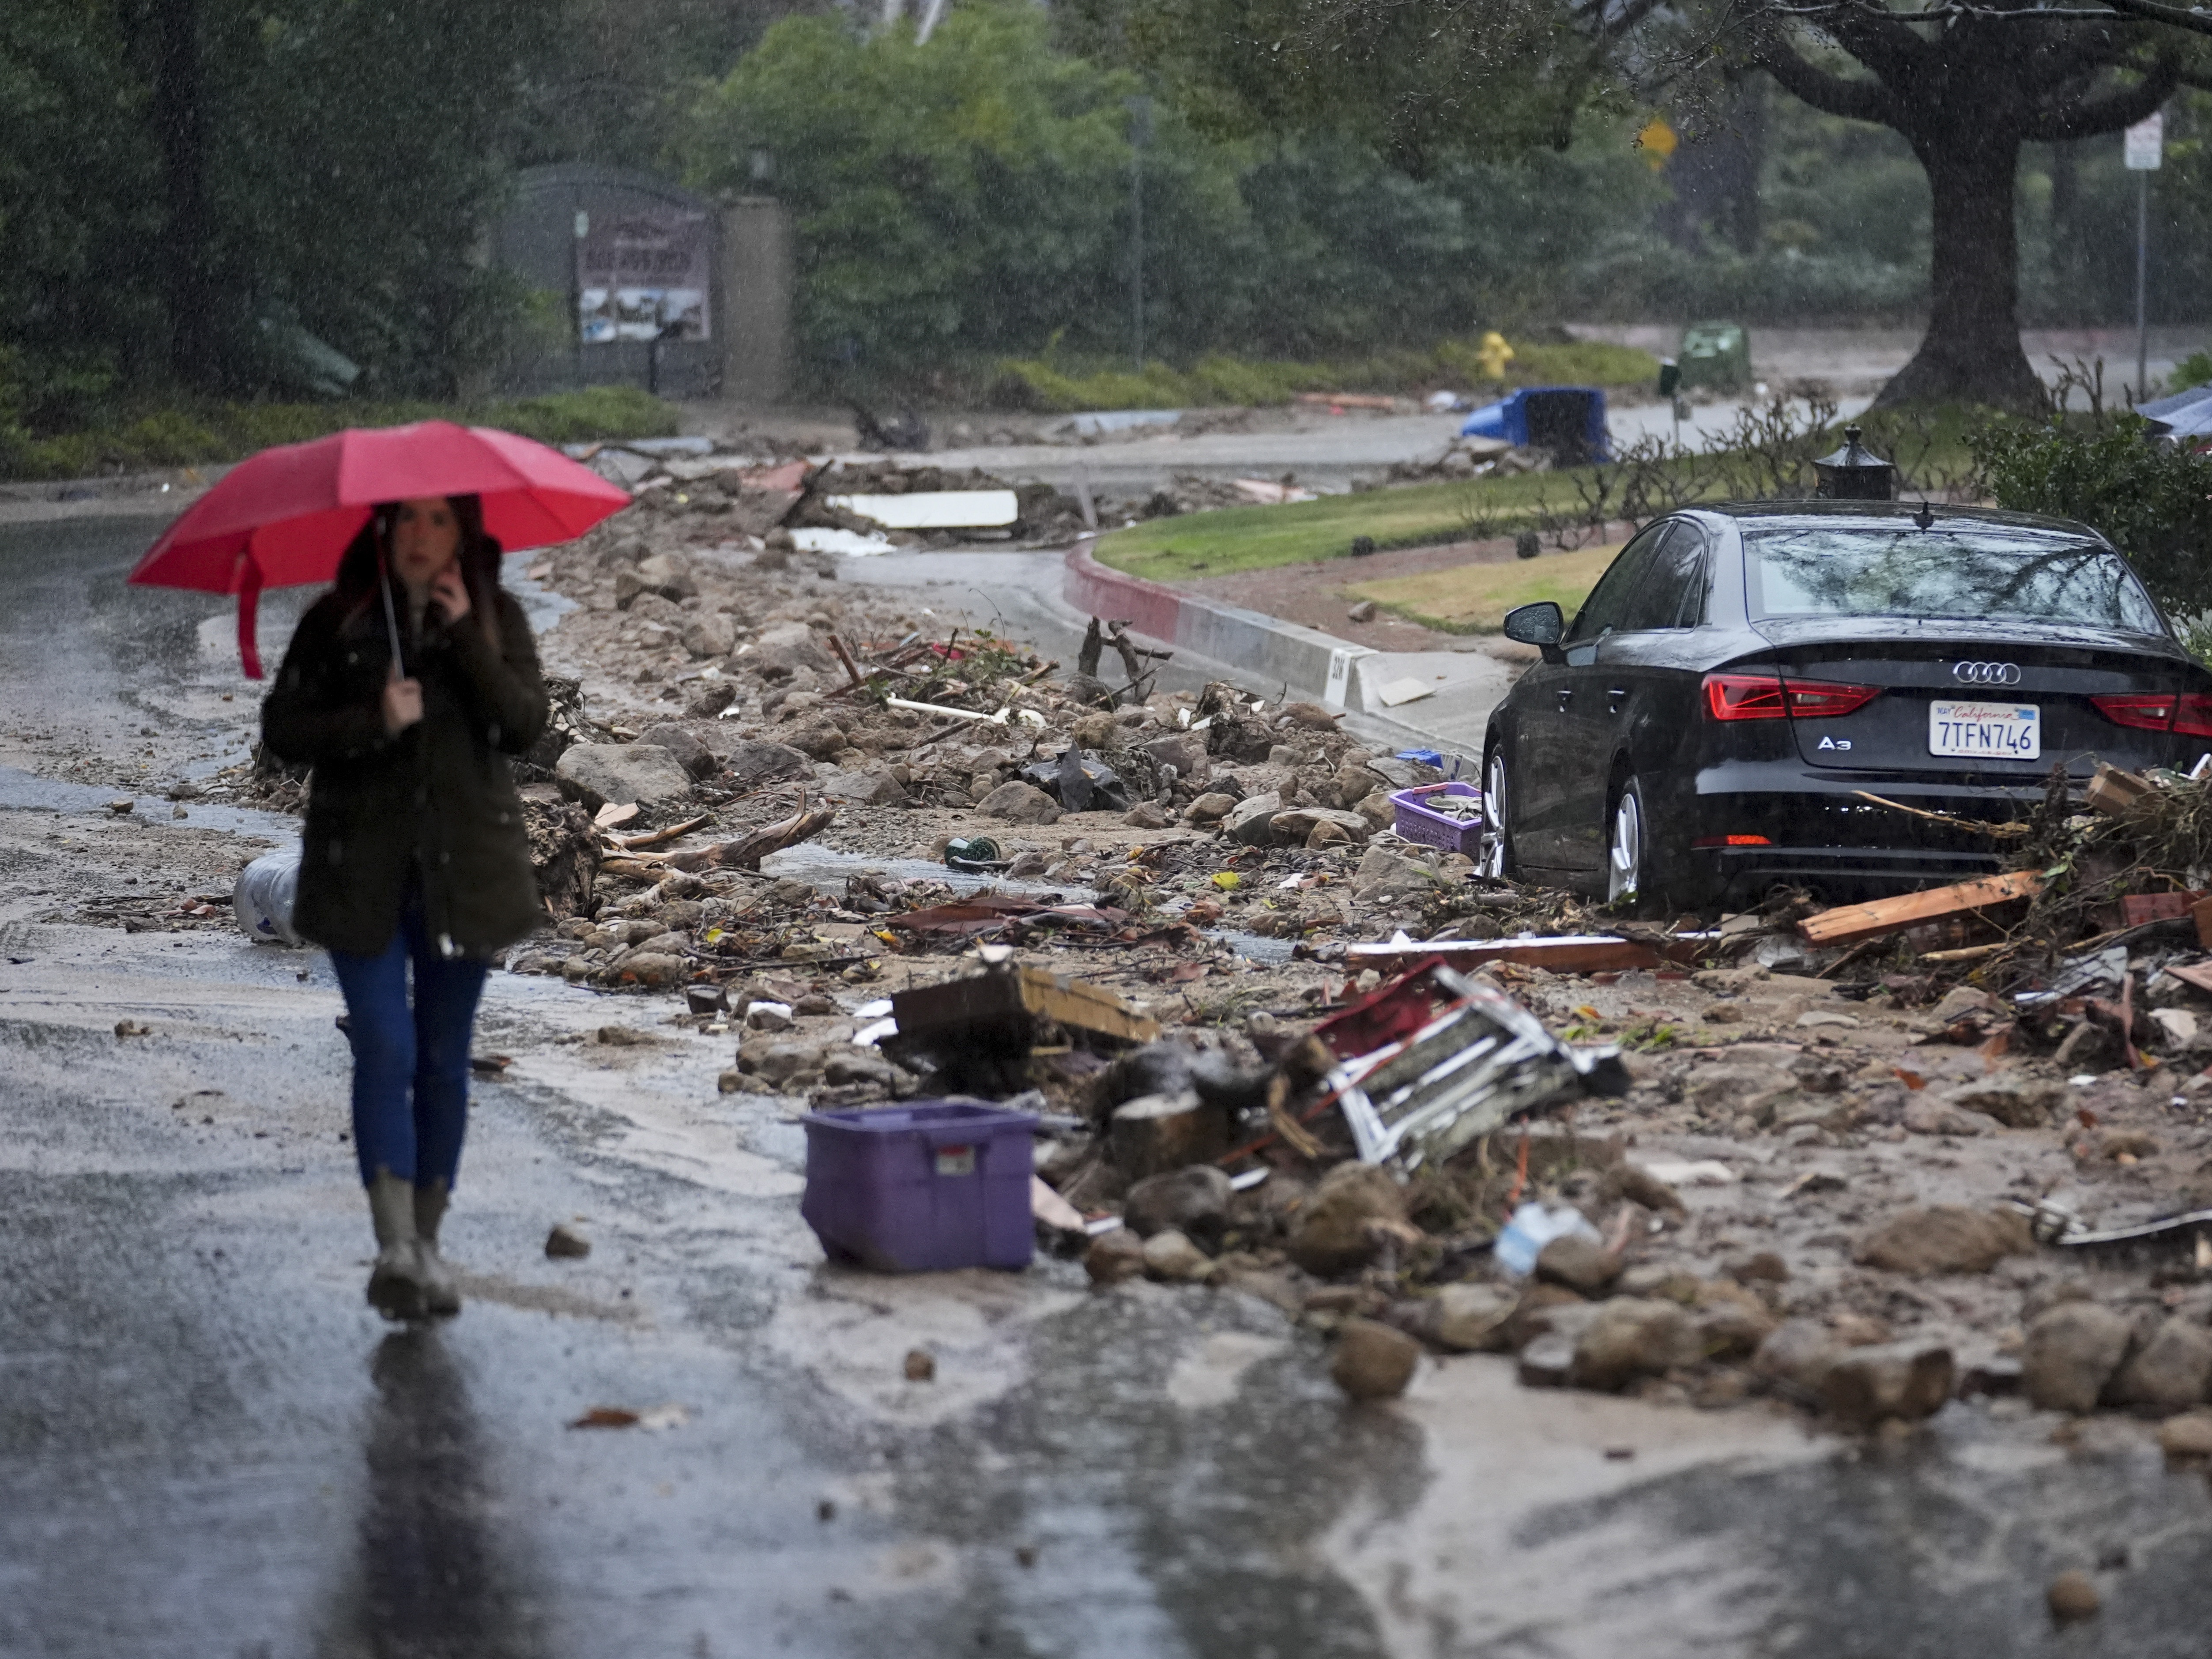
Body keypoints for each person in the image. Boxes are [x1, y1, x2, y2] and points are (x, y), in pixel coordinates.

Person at [262, 495, 549, 1321]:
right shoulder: (337, 619)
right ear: (382, 530)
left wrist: (466, 642)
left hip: (470, 877)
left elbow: (525, 726)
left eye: (439, 522)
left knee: (441, 1056)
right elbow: (283, 729)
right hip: (362, 872)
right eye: (405, 521)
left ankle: (427, 1248)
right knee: (385, 1044)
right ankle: (393, 1246)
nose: (420, 537)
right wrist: (371, 719)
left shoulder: (498, 616)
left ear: (465, 534)